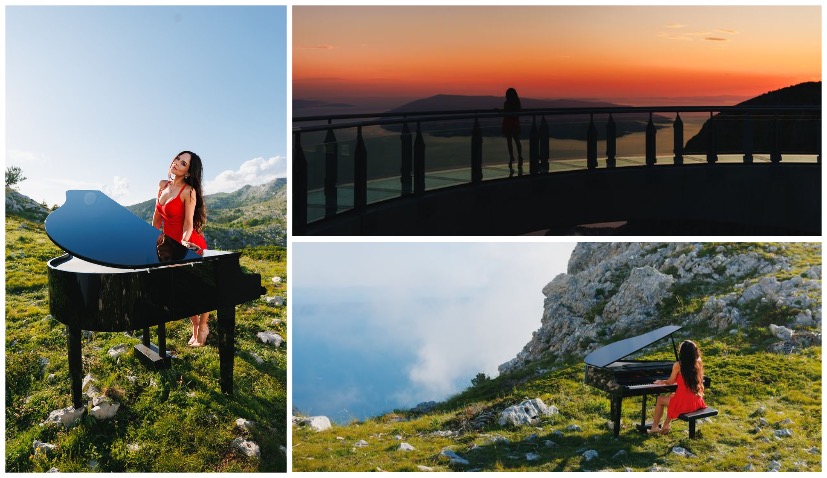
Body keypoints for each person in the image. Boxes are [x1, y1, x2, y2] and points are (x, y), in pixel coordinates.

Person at [152, 150, 210, 347]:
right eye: (177, 158)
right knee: (182, 289)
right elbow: (157, 219)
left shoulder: (188, 191)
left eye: (183, 163)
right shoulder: (162, 186)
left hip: (188, 243)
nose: (176, 163)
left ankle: (202, 326)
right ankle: (195, 325)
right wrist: (147, 240)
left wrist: (185, 242)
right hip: (168, 245)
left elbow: (188, 224)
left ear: (188, 172)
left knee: (197, 288)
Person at [648, 340, 707, 435]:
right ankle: (666, 425)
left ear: (682, 352)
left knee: (660, 399)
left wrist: (661, 381)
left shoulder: (678, 365)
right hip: (696, 400)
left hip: (685, 403)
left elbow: (670, 381)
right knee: (672, 396)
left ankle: (654, 427)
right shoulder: (698, 361)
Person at [502, 87, 524, 172]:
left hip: (508, 123)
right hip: (514, 123)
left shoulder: (506, 103)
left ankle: (511, 157)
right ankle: (519, 156)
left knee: (509, 141)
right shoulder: (516, 103)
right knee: (517, 140)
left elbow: (505, 113)